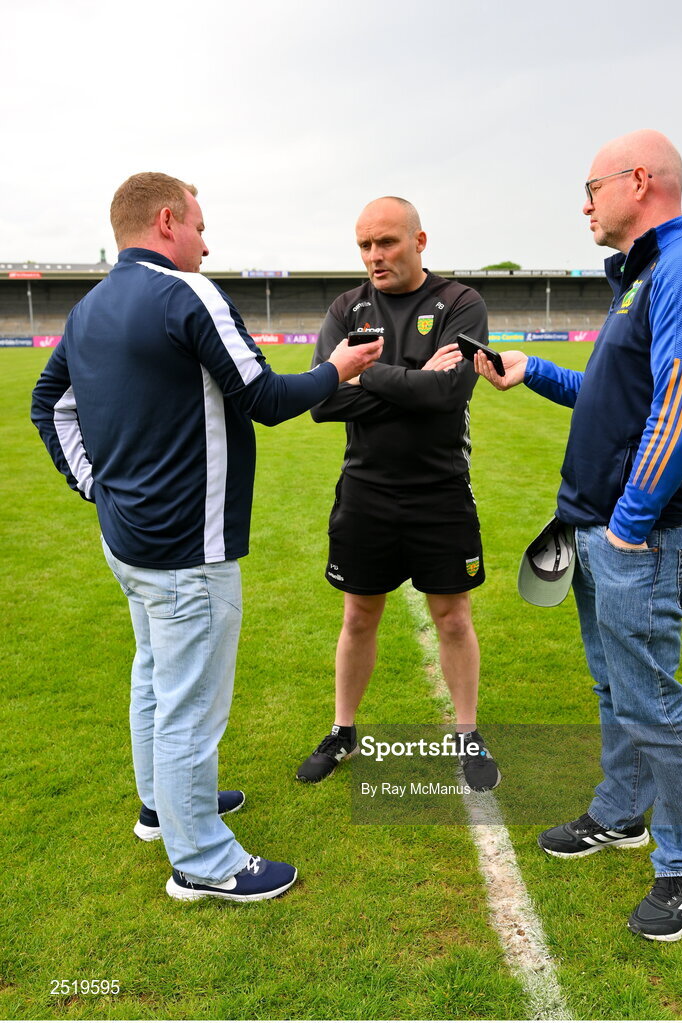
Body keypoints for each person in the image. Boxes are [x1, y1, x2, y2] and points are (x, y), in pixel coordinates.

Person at [31, 172, 382, 902]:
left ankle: (164, 807)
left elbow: (49, 405)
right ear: (167, 221)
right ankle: (202, 861)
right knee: (189, 701)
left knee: (154, 675)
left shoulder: (90, 305)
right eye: (198, 224)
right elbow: (265, 398)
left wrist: (97, 487)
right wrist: (336, 368)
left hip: (129, 541)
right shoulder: (186, 292)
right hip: (189, 547)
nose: (206, 240)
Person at [475, 131, 682, 941]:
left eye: (591, 187)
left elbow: (681, 410)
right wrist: (538, 372)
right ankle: (622, 814)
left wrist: (627, 527)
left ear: (638, 180)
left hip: (639, 535)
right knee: (614, 689)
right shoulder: (646, 275)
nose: (584, 204)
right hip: (596, 525)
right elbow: (617, 396)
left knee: (653, 699)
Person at [295, 196, 500, 792]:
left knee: (453, 617)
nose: (374, 256)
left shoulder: (461, 303)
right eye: (364, 245)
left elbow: (450, 395)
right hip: (366, 492)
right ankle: (342, 730)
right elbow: (324, 400)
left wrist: (363, 372)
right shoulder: (348, 306)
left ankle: (466, 732)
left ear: (419, 240)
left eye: (386, 242)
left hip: (441, 491)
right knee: (358, 614)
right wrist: (413, 381)